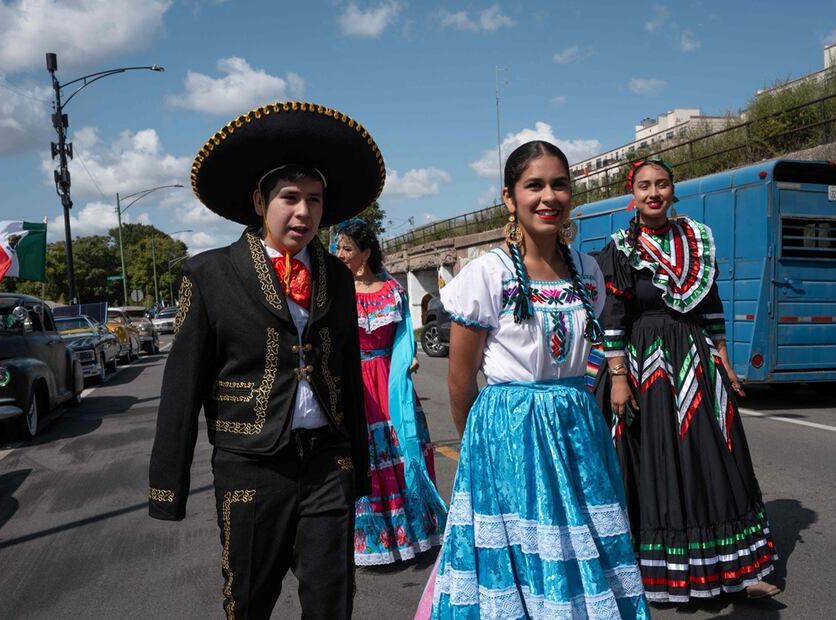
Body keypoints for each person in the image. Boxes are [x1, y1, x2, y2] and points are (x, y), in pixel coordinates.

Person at [147, 101, 385, 619]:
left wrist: (359, 470)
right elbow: (182, 388)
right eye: (290, 198)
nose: (304, 212)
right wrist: (168, 486)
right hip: (250, 464)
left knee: (332, 602)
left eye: (315, 201)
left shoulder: (338, 277)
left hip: (327, 460)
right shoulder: (207, 275)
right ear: (260, 201)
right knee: (249, 600)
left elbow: (346, 372)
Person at [428, 140, 649, 619]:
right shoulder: (486, 273)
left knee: (582, 540)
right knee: (520, 549)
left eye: (560, 184)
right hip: (510, 432)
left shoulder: (586, 270)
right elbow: (461, 379)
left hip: (576, 429)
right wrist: (476, 447)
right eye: (534, 186)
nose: (549, 196)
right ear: (509, 198)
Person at [597, 157, 780, 603]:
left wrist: (724, 357)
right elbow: (614, 316)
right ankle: (650, 571)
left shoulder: (697, 238)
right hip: (646, 365)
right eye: (644, 186)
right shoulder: (622, 248)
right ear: (632, 195)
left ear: (673, 190)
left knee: (715, 456)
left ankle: (738, 571)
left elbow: (711, 304)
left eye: (661, 184)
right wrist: (618, 378)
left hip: (696, 360)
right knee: (653, 459)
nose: (653, 192)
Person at [333, 218, 447, 566]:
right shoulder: (334, 291)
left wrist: (409, 359)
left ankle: (414, 532)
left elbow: (403, 339)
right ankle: (371, 541)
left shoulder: (392, 290)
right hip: (355, 382)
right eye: (337, 247)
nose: (339, 254)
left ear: (365, 254)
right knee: (365, 458)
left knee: (402, 449)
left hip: (390, 381)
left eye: (347, 248)